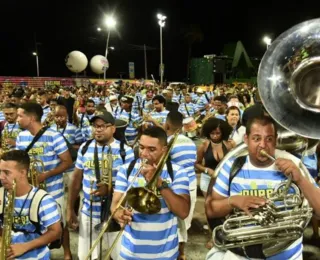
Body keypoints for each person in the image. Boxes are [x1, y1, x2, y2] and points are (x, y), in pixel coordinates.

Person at [205, 115, 314, 260]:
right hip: (242, 254)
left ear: (275, 140)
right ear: (246, 139)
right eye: (256, 138)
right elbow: (211, 210)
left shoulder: (292, 163)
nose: (263, 145)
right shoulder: (231, 166)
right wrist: (233, 201)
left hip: (288, 255)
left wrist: (300, 179)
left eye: (269, 139)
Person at [111, 126, 190, 259]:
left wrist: (159, 183)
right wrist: (118, 214)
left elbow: (183, 212)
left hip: (165, 254)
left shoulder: (177, 172)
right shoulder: (126, 170)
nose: (144, 154)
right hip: (130, 253)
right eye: (141, 147)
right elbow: (115, 205)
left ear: (164, 150)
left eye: (152, 149)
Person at [67, 110, 134, 260]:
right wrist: (70, 208)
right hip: (89, 210)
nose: (98, 129)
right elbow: (76, 179)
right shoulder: (85, 148)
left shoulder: (125, 151)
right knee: (87, 256)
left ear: (113, 129)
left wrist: (110, 189)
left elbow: (131, 185)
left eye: (103, 126)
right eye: (95, 126)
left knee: (118, 254)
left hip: (116, 211)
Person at [15, 102, 73, 259]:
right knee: (34, 224)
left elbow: (67, 162)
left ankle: (67, 252)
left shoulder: (55, 136)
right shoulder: (21, 137)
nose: (17, 119)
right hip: (31, 191)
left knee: (58, 224)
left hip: (53, 190)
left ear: (32, 117)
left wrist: (46, 175)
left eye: (21, 115)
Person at [0, 150, 62, 259]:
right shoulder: (0, 195)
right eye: (0, 171)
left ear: (23, 172)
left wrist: (25, 246)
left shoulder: (43, 199)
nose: (1, 177)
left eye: (7, 172)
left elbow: (56, 232)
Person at [164, 111, 197, 260]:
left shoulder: (168, 143)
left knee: (173, 225)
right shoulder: (190, 142)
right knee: (184, 225)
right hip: (191, 186)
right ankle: (181, 254)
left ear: (167, 124)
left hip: (175, 188)